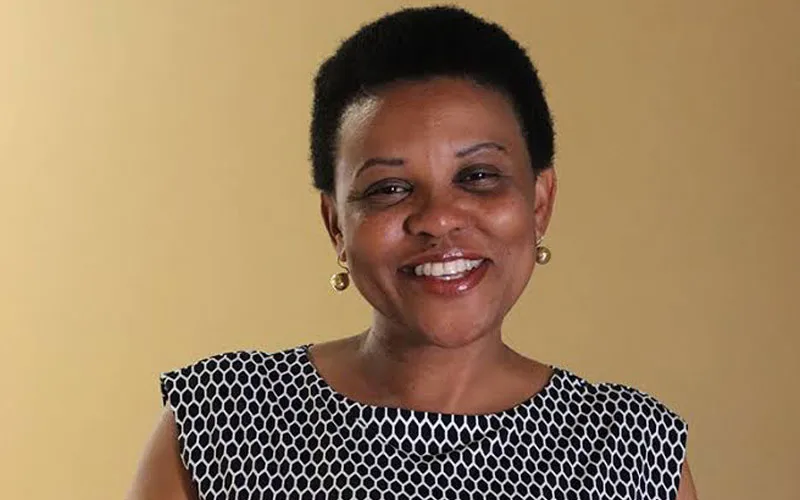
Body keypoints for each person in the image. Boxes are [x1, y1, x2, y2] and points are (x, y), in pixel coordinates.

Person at [127, 6, 697, 500]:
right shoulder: (221, 425)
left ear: (539, 203)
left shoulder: (632, 453)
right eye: (389, 188)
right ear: (336, 224)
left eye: (478, 176)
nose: (439, 218)